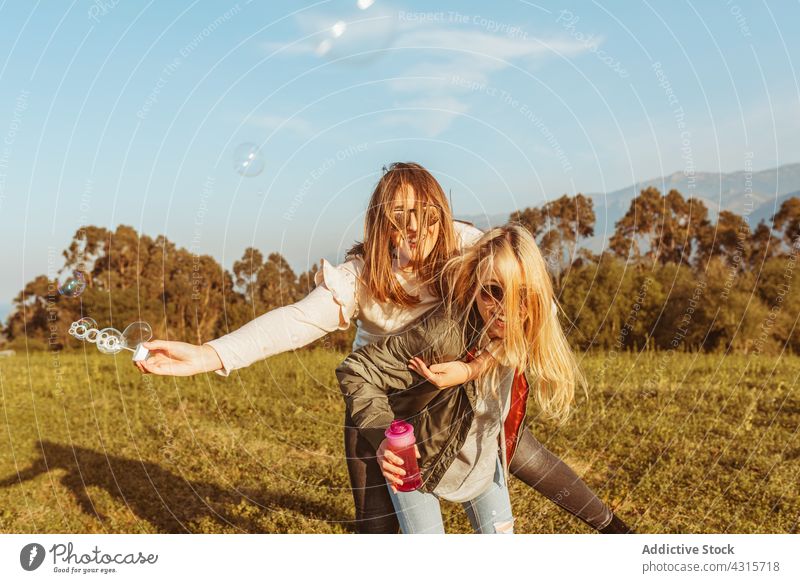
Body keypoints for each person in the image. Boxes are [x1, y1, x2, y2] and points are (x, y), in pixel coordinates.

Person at [136, 162, 631, 533]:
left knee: (518, 451)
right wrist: (209, 354)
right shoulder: (359, 278)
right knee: (377, 530)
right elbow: (295, 323)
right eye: (400, 217)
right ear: (381, 224)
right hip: (388, 405)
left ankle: (617, 532)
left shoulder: (468, 248)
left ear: (443, 213)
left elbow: (521, 306)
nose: (415, 228)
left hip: (461, 393)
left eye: (426, 215)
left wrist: (477, 365)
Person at [336, 224, 580, 533]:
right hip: (419, 463)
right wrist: (385, 437)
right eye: (493, 291)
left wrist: (472, 368)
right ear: (475, 284)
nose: (505, 310)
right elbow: (356, 369)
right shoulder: (443, 334)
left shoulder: (528, 320)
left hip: (481, 462)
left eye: (521, 294)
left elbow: (520, 336)